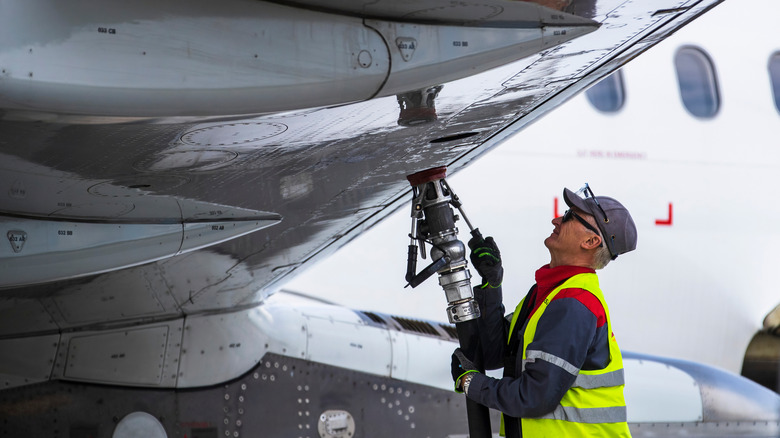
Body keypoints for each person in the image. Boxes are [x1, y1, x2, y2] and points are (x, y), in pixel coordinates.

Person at [451, 183, 637, 437]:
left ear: (591, 241)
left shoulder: (574, 303)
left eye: (570, 217)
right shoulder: (549, 293)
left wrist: (471, 383)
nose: (556, 219)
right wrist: (491, 285)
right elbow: (497, 354)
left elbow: (533, 397)